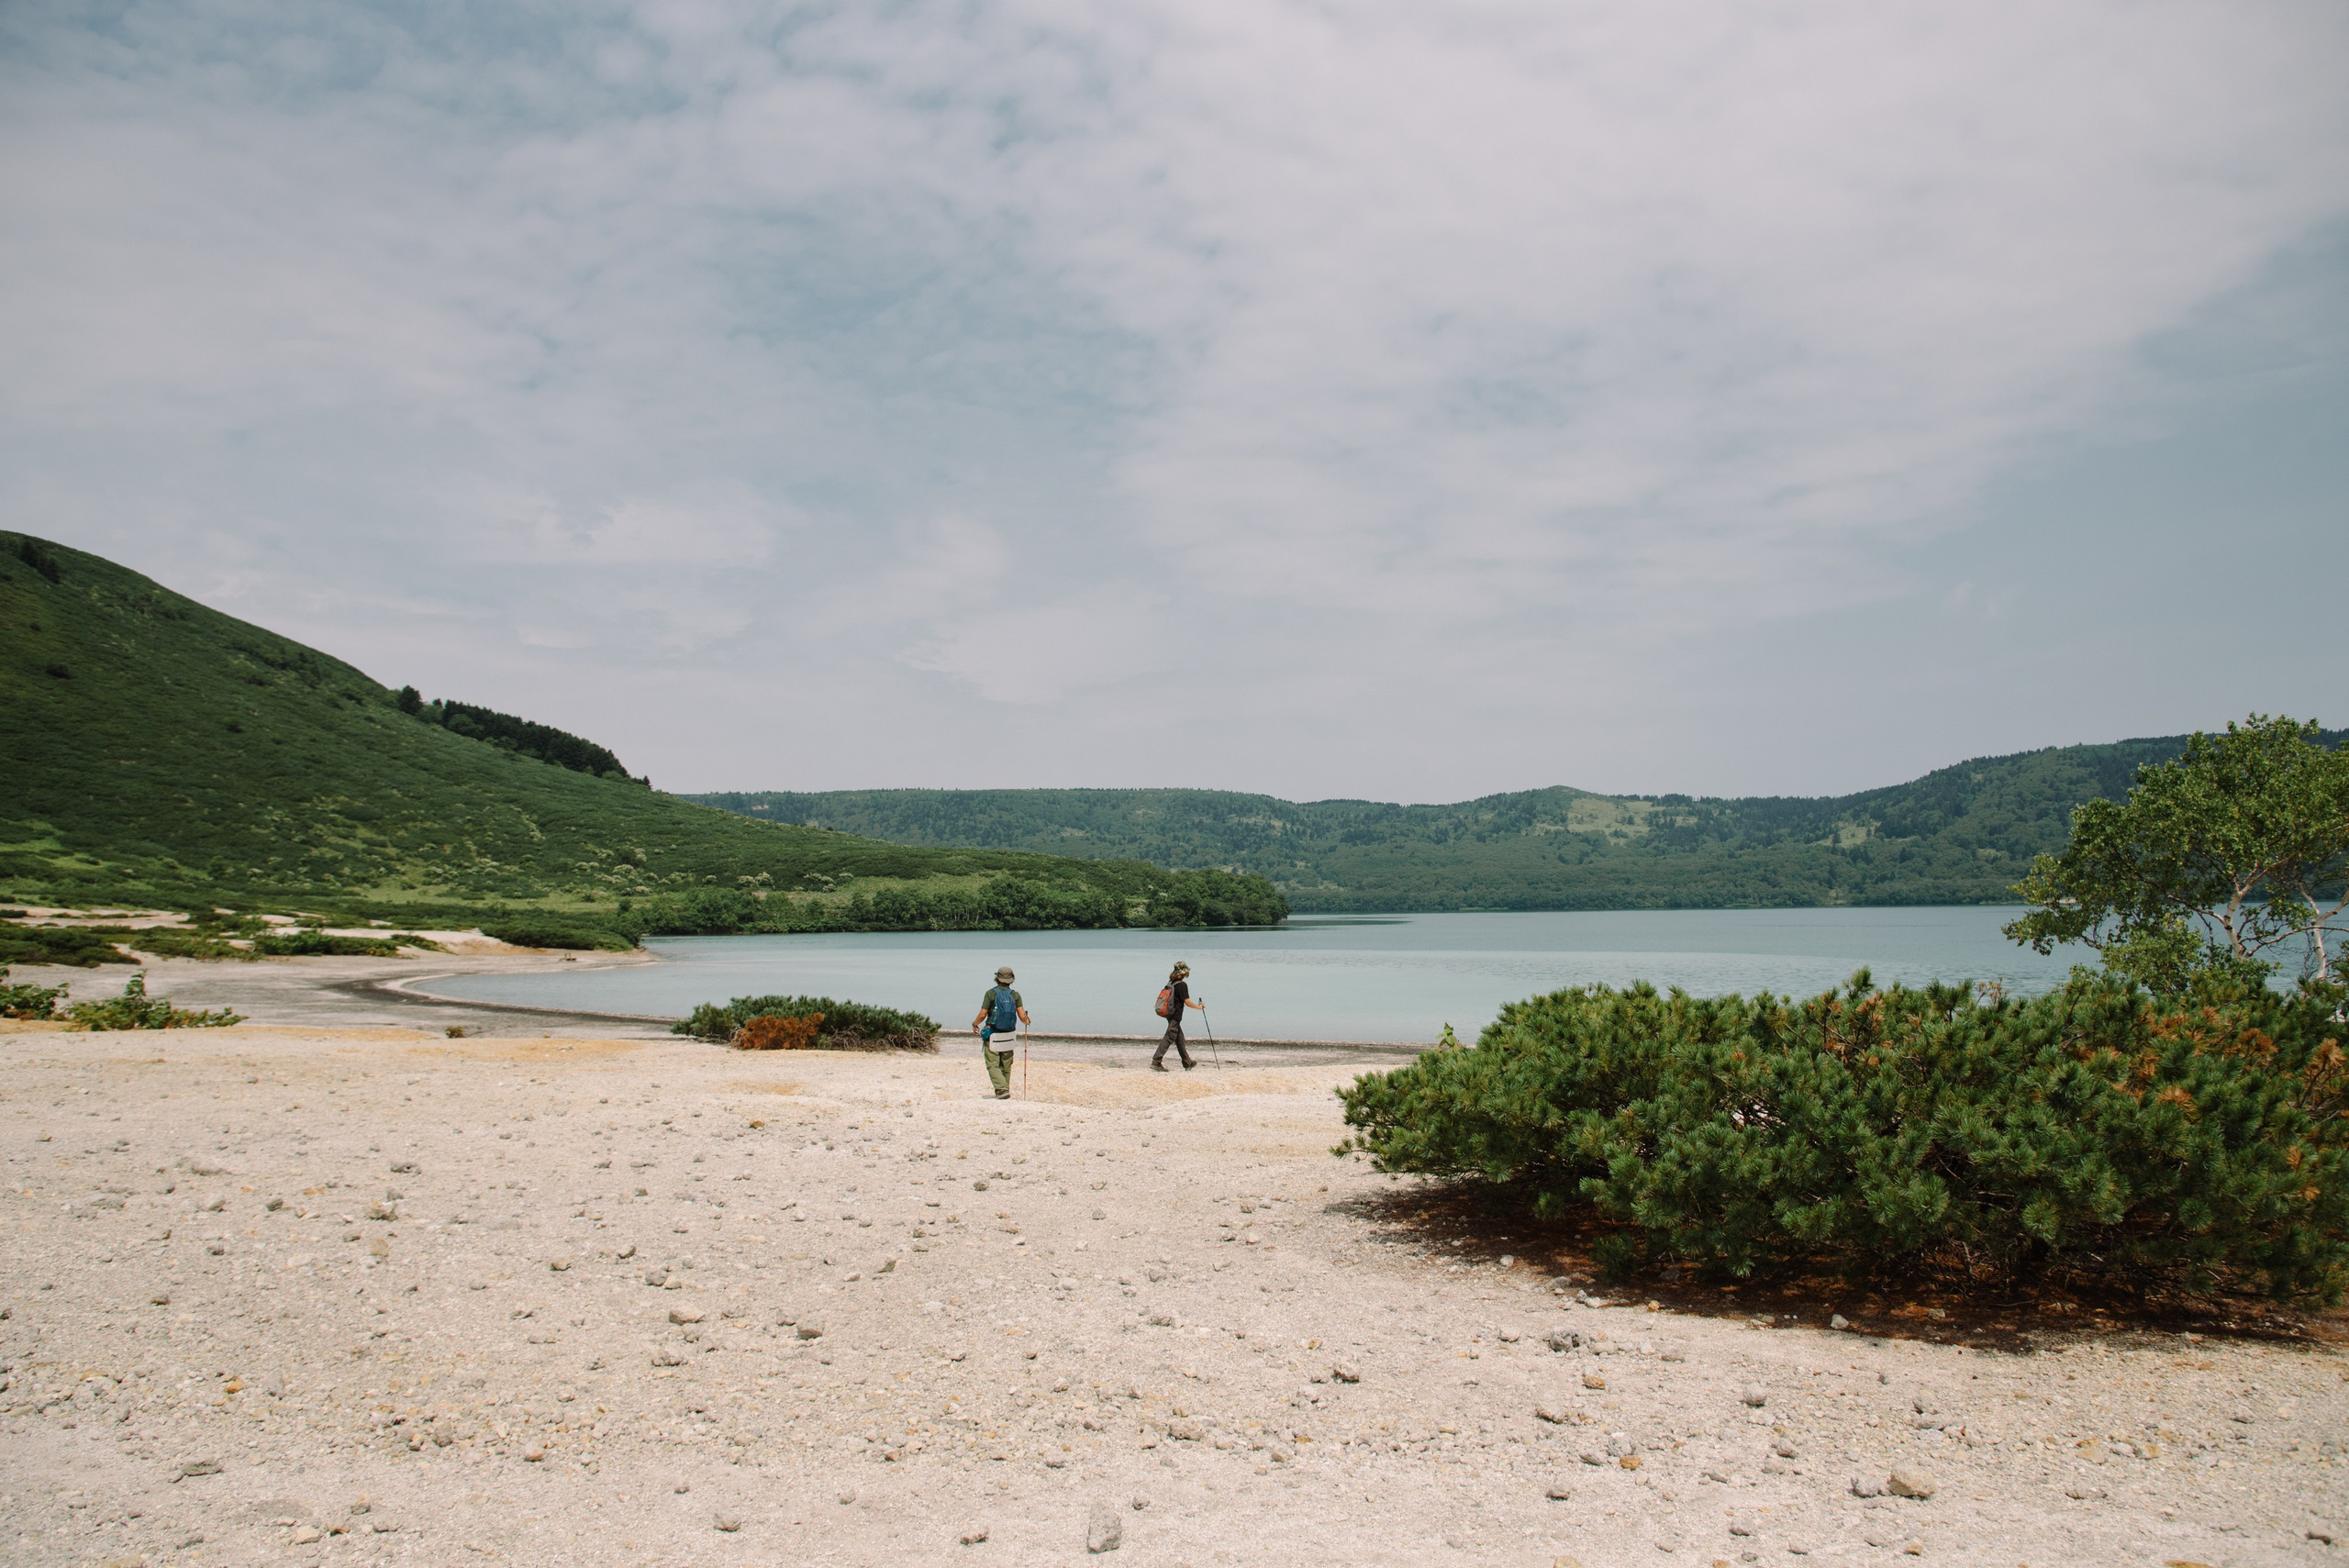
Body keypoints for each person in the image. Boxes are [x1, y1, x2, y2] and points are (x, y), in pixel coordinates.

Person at [970, 966, 1030, 1099]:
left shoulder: (991, 994)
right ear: (1011, 980)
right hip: (1009, 1035)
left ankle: (1002, 1090)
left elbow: (983, 1014)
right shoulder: (1015, 995)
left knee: (992, 1064)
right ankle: (1004, 1090)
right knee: (1006, 1064)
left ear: (997, 978)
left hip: (993, 1034)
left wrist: (975, 1024)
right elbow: (1022, 1017)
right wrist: (1027, 1021)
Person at [1152, 961, 1203, 1072]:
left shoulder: (1171, 982)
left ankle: (1187, 1062)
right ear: (1184, 973)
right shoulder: (1182, 985)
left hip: (1169, 1014)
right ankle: (1156, 1061)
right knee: (1169, 1037)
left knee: (1179, 1039)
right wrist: (1199, 1008)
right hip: (1175, 1015)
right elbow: (1187, 1002)